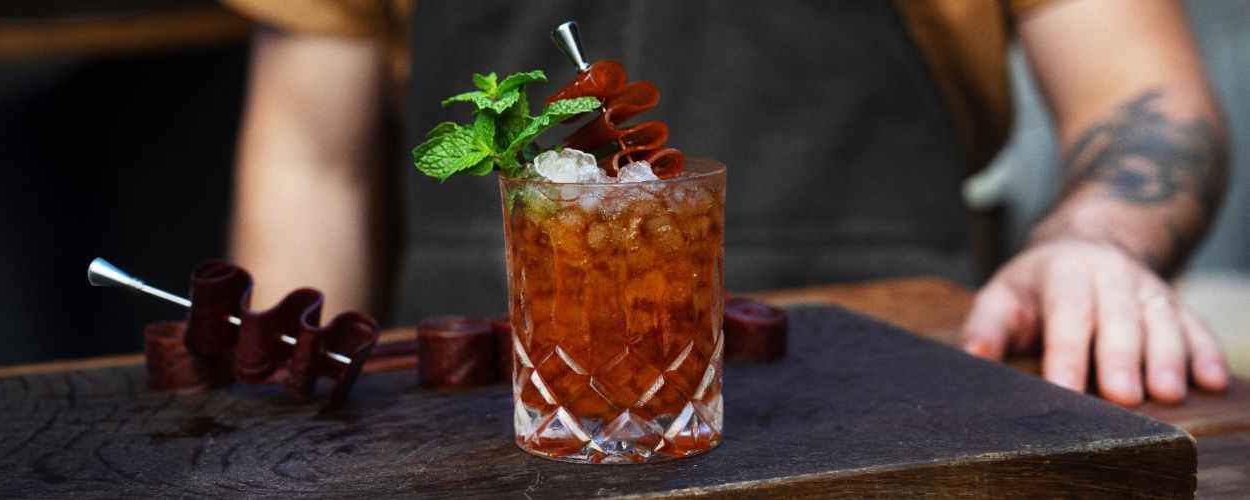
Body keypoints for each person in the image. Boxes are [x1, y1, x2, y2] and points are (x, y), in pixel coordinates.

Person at [221, 0, 1230, 407]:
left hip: (902, 412)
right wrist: (276, 412)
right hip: (476, 422)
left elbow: (1140, 97)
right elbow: (316, 165)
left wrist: (1095, 238)